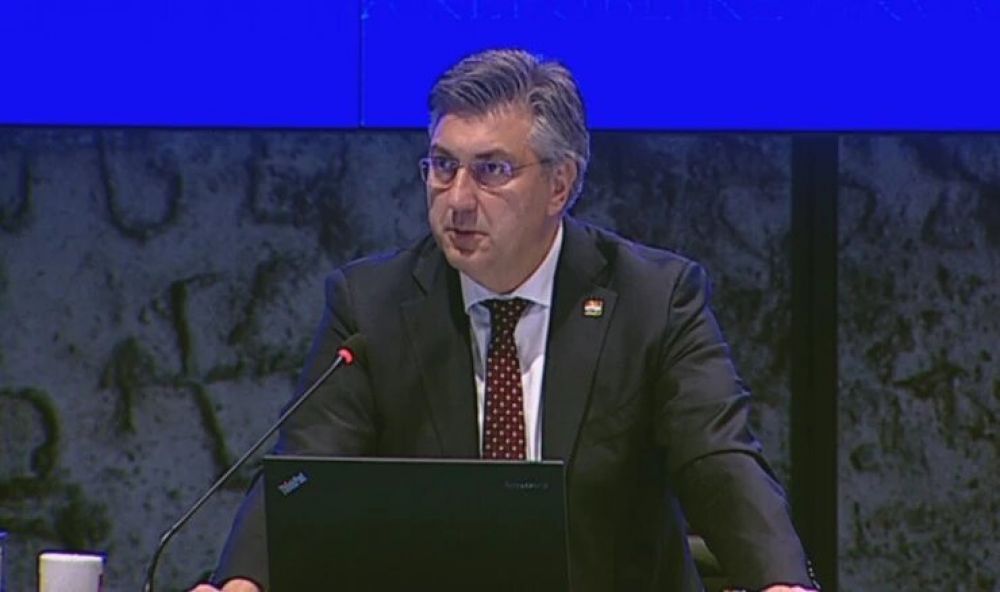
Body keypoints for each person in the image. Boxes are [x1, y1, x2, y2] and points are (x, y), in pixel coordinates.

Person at [193, 49, 819, 592]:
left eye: (491, 170)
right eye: (443, 166)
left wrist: (779, 579)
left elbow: (717, 455)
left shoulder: (653, 298)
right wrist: (245, 581)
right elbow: (307, 470)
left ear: (560, 184)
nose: (458, 199)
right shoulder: (370, 306)